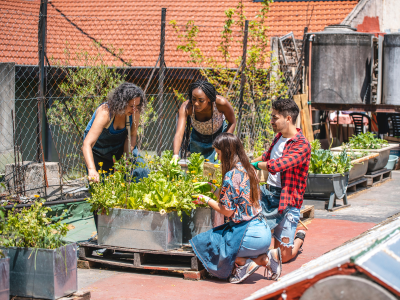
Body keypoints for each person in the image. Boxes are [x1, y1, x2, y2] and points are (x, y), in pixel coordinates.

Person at [190, 133, 282, 284]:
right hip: (264, 232)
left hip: (248, 235)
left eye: (219, 154)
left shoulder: (231, 175)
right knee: (221, 239)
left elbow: (227, 211)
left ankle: (243, 263)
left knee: (209, 244)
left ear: (227, 153)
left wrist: (205, 199)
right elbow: (237, 197)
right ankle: (266, 258)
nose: (218, 158)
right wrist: (213, 189)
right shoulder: (249, 169)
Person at [251, 98, 311, 263]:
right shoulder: (279, 138)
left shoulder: (302, 145)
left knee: (283, 256)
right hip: (269, 194)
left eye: (274, 117)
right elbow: (266, 156)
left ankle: (299, 237)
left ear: (288, 118)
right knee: (255, 238)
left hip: (287, 201)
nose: (271, 121)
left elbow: (278, 165)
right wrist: (247, 164)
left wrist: (256, 165)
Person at [82, 82, 149, 184]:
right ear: (121, 102)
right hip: (99, 153)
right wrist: (91, 169)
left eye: (138, 106)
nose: (135, 109)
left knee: (142, 172)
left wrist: (125, 160)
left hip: (120, 149)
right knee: (102, 187)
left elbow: (132, 135)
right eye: (131, 106)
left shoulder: (135, 112)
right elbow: (87, 144)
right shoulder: (106, 113)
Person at [172, 80, 236, 163]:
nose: (196, 104)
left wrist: (224, 143)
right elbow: (179, 133)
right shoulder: (187, 107)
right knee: (197, 168)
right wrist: (175, 155)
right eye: (194, 99)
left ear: (209, 99)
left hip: (219, 136)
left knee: (217, 167)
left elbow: (232, 122)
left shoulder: (220, 103)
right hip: (198, 138)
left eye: (201, 100)